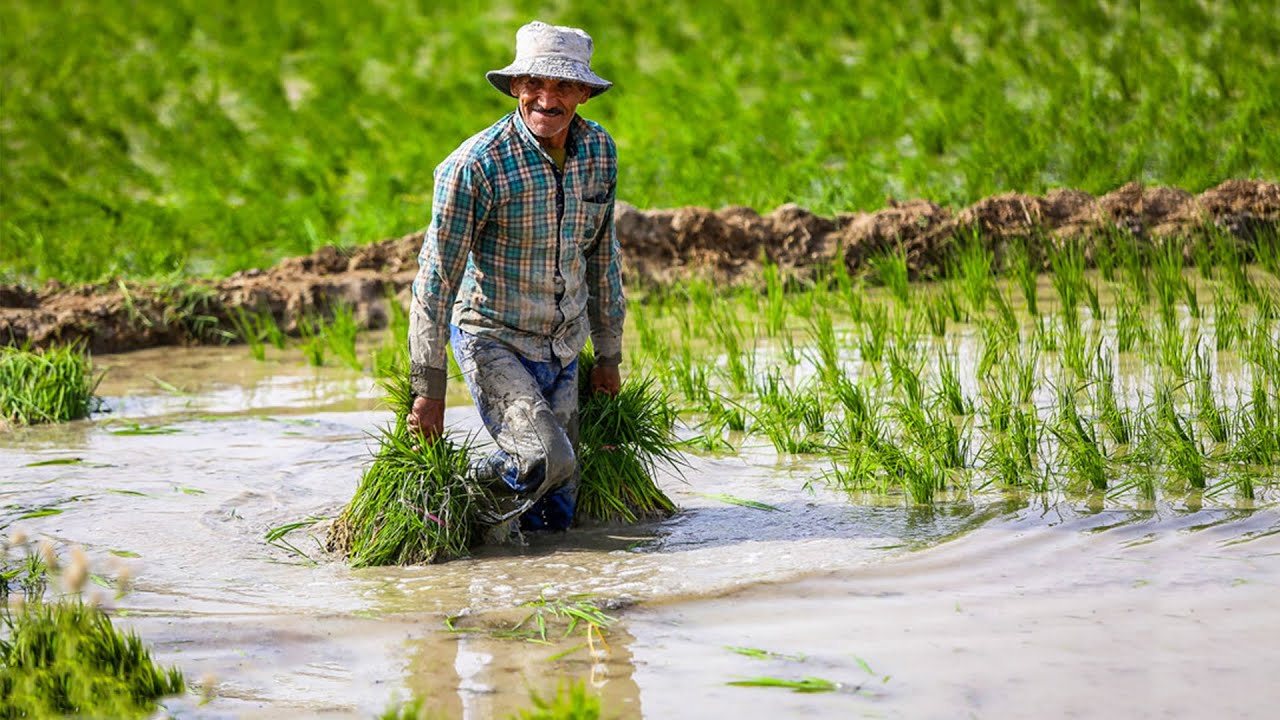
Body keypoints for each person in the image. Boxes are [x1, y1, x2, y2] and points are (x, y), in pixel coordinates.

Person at [406, 21, 625, 533]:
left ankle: (542, 592)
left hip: (564, 342)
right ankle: (453, 499)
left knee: (558, 508)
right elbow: (436, 277)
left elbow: (602, 257)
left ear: (585, 94)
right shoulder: (474, 166)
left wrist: (609, 354)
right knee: (550, 460)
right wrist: (428, 385)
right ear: (515, 88)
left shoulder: (599, 152)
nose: (547, 99)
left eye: (563, 86)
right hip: (493, 338)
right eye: (534, 84)